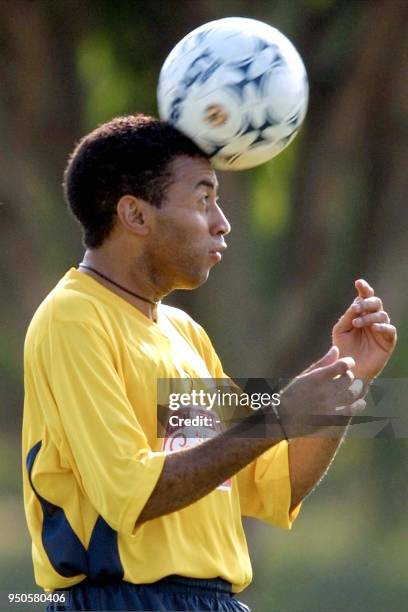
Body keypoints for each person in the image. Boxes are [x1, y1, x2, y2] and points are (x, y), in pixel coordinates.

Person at [22, 115, 397, 612]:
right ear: (135, 215)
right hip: (123, 601)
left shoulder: (185, 333)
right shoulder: (73, 318)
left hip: (216, 602)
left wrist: (344, 381)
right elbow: (132, 493)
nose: (222, 221)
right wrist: (278, 416)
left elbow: (274, 483)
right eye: (203, 200)